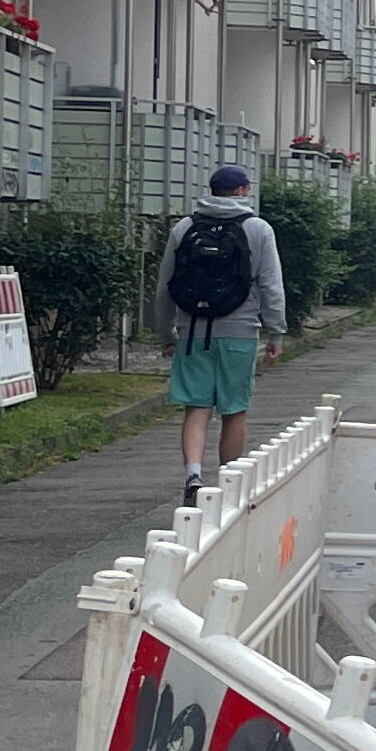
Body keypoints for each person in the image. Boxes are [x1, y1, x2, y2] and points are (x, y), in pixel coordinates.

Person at [154, 161, 286, 508]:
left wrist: (165, 331)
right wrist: (276, 333)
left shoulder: (185, 227)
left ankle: (193, 476)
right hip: (240, 332)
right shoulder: (258, 229)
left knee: (197, 407)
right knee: (234, 409)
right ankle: (228, 482)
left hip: (192, 329)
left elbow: (165, 285)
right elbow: (271, 286)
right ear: (242, 191)